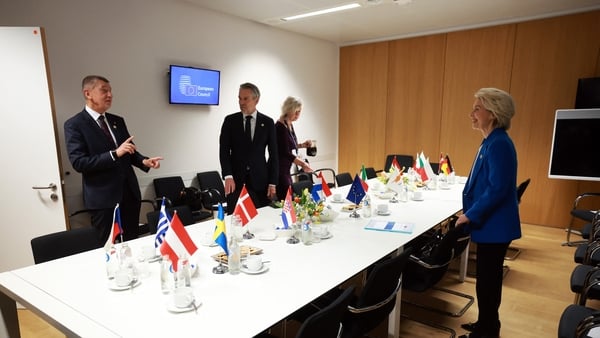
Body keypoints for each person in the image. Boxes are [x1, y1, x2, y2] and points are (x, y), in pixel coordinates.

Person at [456, 88, 521, 338]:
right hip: (490, 225)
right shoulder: (490, 141)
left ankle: (488, 330)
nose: (471, 114)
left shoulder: (499, 144)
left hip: (495, 226)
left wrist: (470, 214)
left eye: (477, 109)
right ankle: (486, 324)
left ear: (492, 114)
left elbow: (498, 189)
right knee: (486, 281)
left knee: (488, 282)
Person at [64, 75, 162, 243]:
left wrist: (143, 161)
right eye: (104, 91)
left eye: (110, 91)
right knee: (107, 246)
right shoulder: (74, 125)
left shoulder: (117, 121)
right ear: (88, 93)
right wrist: (114, 154)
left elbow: (128, 151)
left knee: (132, 242)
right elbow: (79, 163)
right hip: (102, 199)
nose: (110, 95)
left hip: (129, 194)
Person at [219, 82, 278, 214]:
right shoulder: (230, 121)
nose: (241, 102)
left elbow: (274, 155)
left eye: (246, 99)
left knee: (262, 219)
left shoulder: (267, 123)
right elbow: (224, 151)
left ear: (256, 100)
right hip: (236, 182)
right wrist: (228, 175)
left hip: (260, 182)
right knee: (236, 220)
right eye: (239, 98)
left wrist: (272, 182)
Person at [275, 96, 313, 200]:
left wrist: (302, 145)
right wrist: (303, 164)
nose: (297, 115)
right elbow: (285, 152)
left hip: (287, 169)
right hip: (280, 170)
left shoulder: (289, 124)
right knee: (287, 199)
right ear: (288, 109)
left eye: (299, 112)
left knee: (291, 196)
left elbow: (290, 145)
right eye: (296, 112)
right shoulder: (280, 127)